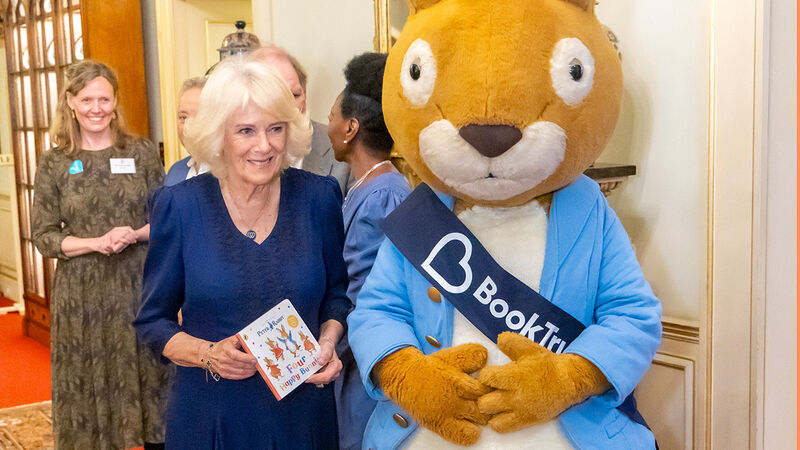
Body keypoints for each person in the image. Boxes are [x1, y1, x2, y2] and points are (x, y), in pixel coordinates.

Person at [133, 56, 351, 449]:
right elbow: (152, 323)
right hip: (212, 415)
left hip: (302, 416)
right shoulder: (180, 207)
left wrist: (328, 341)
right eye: (246, 131)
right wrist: (208, 353)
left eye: (275, 129)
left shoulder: (319, 198)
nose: (264, 146)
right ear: (218, 136)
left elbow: (337, 296)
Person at [31, 60, 170, 450]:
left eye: (104, 99)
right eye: (87, 99)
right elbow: (43, 237)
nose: (96, 108)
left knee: (151, 385)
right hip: (82, 298)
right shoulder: (54, 162)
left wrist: (134, 233)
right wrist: (96, 242)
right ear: (71, 102)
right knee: (89, 390)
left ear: (115, 101)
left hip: (139, 286)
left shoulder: (141, 152)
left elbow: (165, 221)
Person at [327, 52, 411, 450]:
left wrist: (324, 350)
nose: (327, 127)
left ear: (350, 127)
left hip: (364, 367)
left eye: (331, 117)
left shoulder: (384, 195)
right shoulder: (365, 186)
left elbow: (367, 294)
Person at [249, 44, 352, 194]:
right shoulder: (231, 154)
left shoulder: (343, 150)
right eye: (278, 97)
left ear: (305, 94)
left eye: (296, 95)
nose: (290, 107)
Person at [164, 76, 208, 186]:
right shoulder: (175, 172)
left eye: (197, 116)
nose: (188, 125)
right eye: (183, 117)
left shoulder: (231, 175)